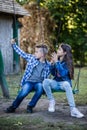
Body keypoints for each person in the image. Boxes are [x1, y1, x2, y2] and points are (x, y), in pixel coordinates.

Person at [5, 39, 50, 113]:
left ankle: (30, 106)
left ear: (42, 54)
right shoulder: (32, 58)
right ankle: (13, 107)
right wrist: (14, 45)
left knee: (40, 88)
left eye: (36, 52)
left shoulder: (47, 65)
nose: (34, 53)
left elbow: (49, 75)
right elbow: (21, 53)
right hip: (29, 81)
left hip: (38, 83)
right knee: (23, 93)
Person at [43, 43, 84, 118]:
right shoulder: (57, 60)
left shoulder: (68, 63)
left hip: (63, 85)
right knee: (46, 81)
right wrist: (52, 64)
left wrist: (57, 63)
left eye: (59, 49)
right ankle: (51, 101)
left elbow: (62, 74)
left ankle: (73, 109)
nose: (57, 51)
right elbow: (53, 73)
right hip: (56, 83)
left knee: (66, 84)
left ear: (64, 53)